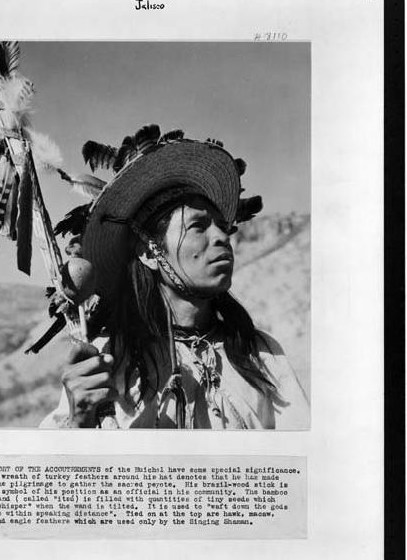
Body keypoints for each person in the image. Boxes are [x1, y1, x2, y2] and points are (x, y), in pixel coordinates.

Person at [39, 125, 309, 430]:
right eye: (198, 226)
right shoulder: (106, 361)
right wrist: (78, 421)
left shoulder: (259, 354)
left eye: (223, 225)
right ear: (149, 253)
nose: (222, 236)